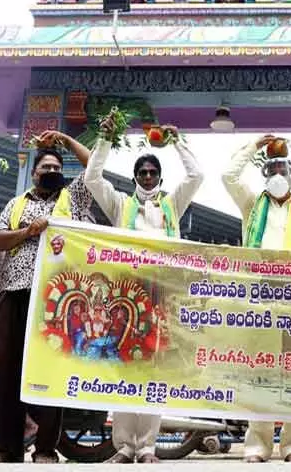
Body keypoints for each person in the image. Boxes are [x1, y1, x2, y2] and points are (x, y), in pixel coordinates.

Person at [84, 120, 203, 464]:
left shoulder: (171, 207)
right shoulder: (120, 205)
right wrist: (105, 138)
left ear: (160, 178)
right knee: (123, 367)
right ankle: (123, 447)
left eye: (153, 172)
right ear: (135, 176)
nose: (148, 177)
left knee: (153, 369)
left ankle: (147, 447)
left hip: (161, 295)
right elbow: (92, 178)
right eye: (142, 172)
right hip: (125, 298)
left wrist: (178, 142)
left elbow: (196, 177)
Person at [0, 131, 92, 464]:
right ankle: (7, 450)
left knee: (50, 372)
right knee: (8, 374)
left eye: (56, 166)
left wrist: (63, 138)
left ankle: (45, 449)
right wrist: (28, 231)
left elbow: (93, 164)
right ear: (33, 173)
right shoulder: (16, 204)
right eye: (44, 166)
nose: (50, 170)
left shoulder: (72, 198)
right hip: (15, 296)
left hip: (56, 299)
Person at [222, 135, 291, 463]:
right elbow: (228, 177)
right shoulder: (252, 206)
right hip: (260, 299)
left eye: (282, 168)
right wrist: (255, 146)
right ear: (265, 175)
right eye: (272, 169)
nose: (277, 174)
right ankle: (257, 446)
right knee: (260, 372)